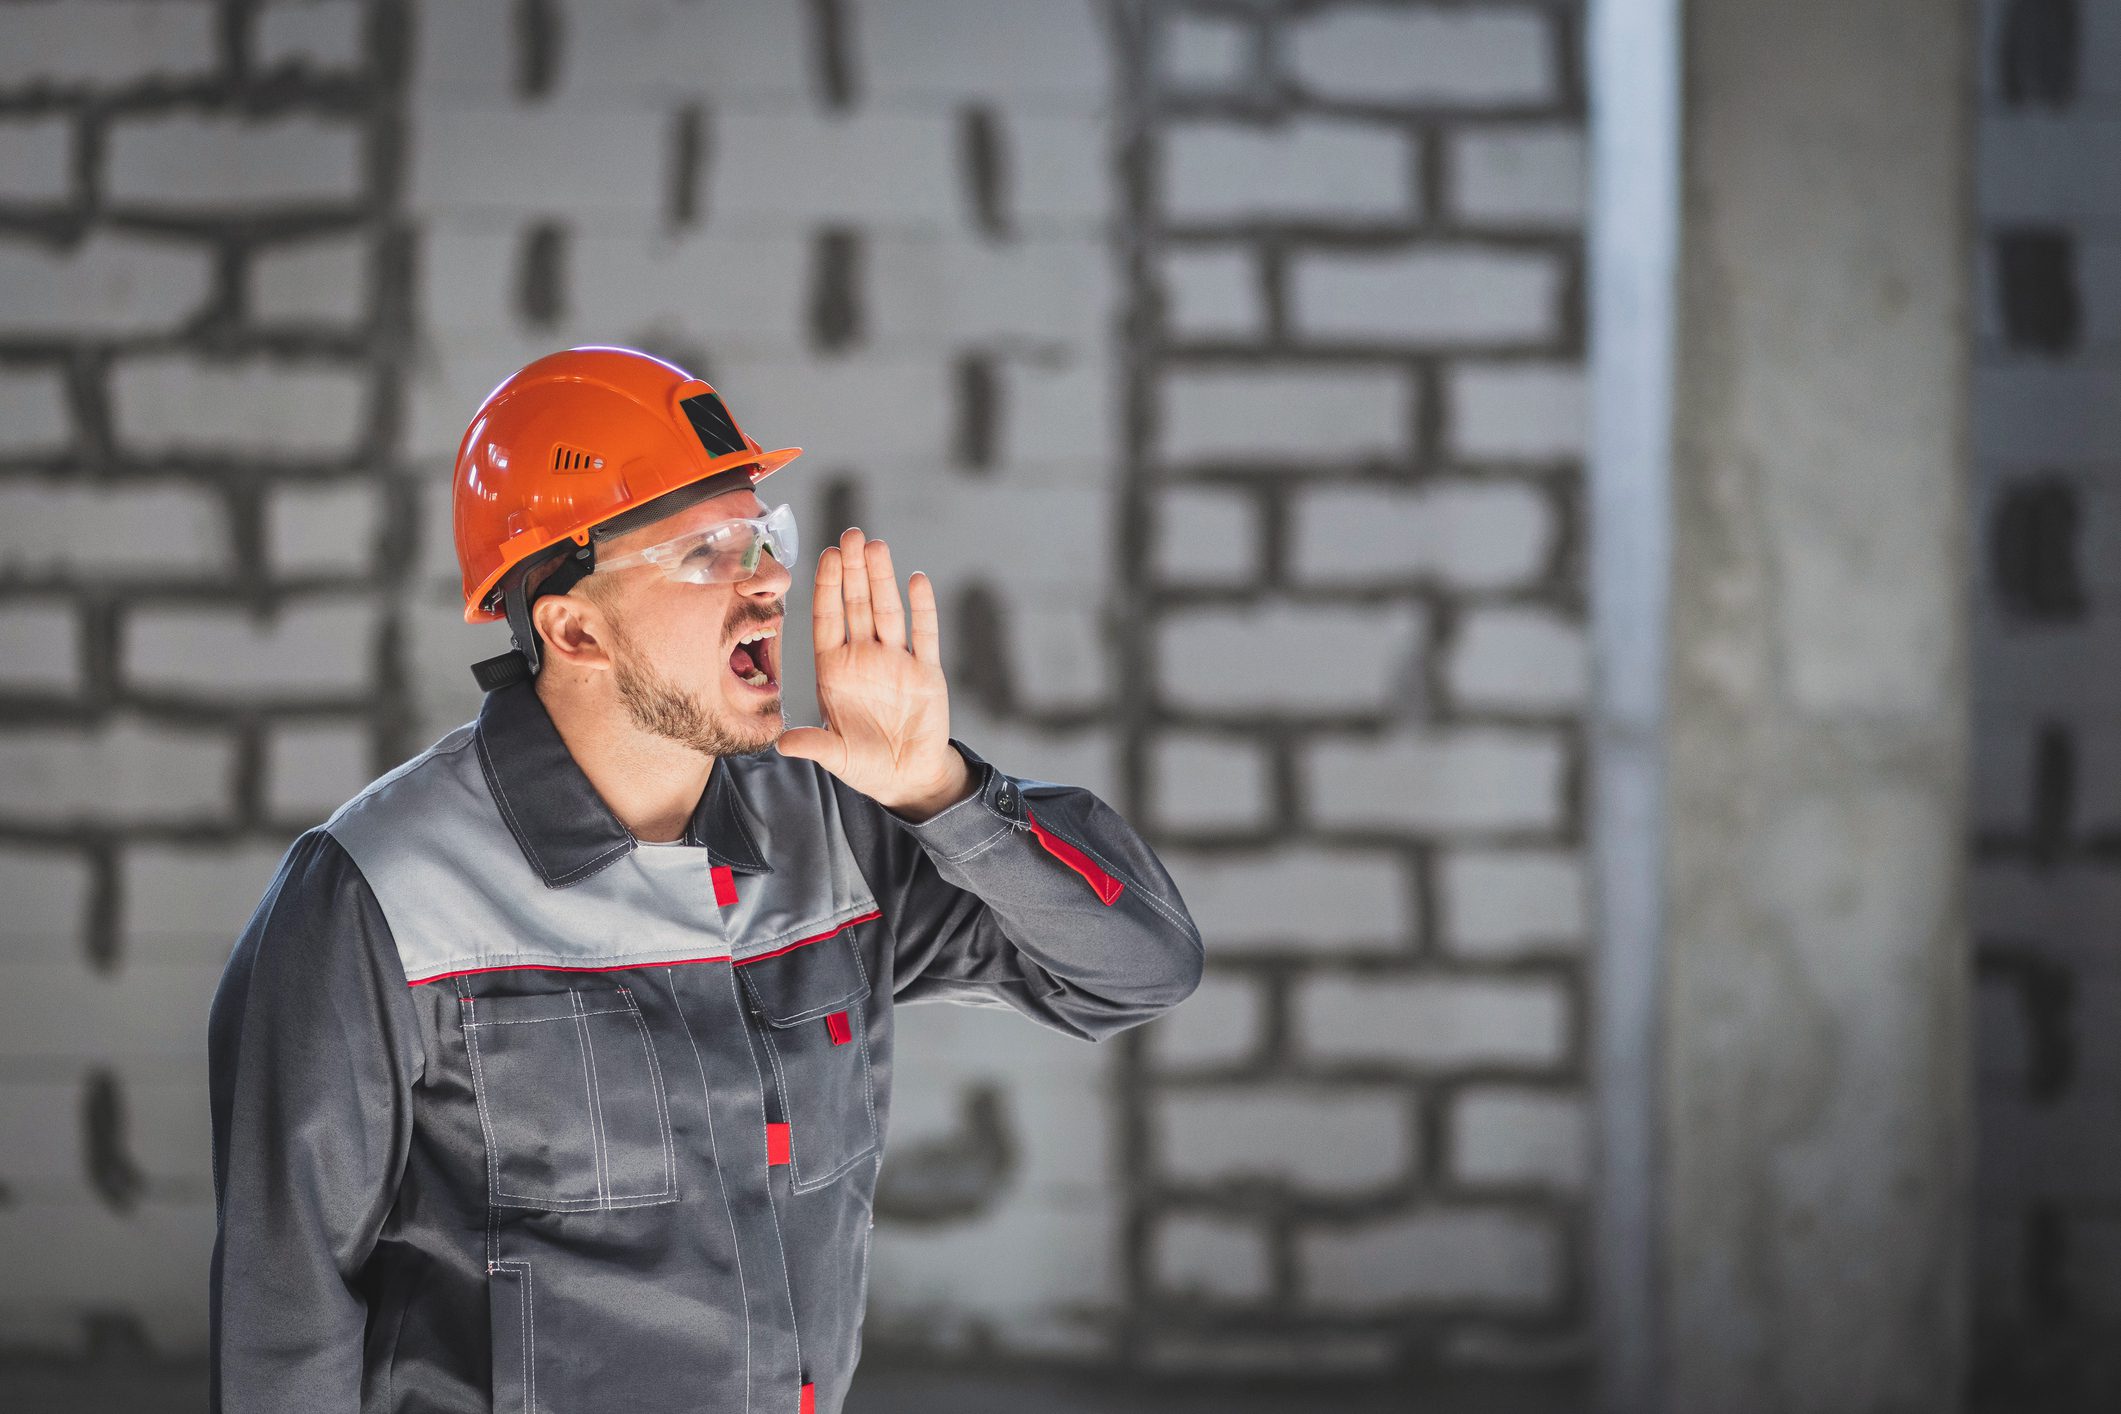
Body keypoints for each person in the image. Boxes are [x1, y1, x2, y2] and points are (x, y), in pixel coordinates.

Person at [205, 346, 1203, 1414]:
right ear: (574, 627)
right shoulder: (381, 894)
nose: (768, 578)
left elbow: (1138, 969)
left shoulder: (831, 831)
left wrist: (940, 790)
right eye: (707, 553)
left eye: (764, 537)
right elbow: (286, 1313)